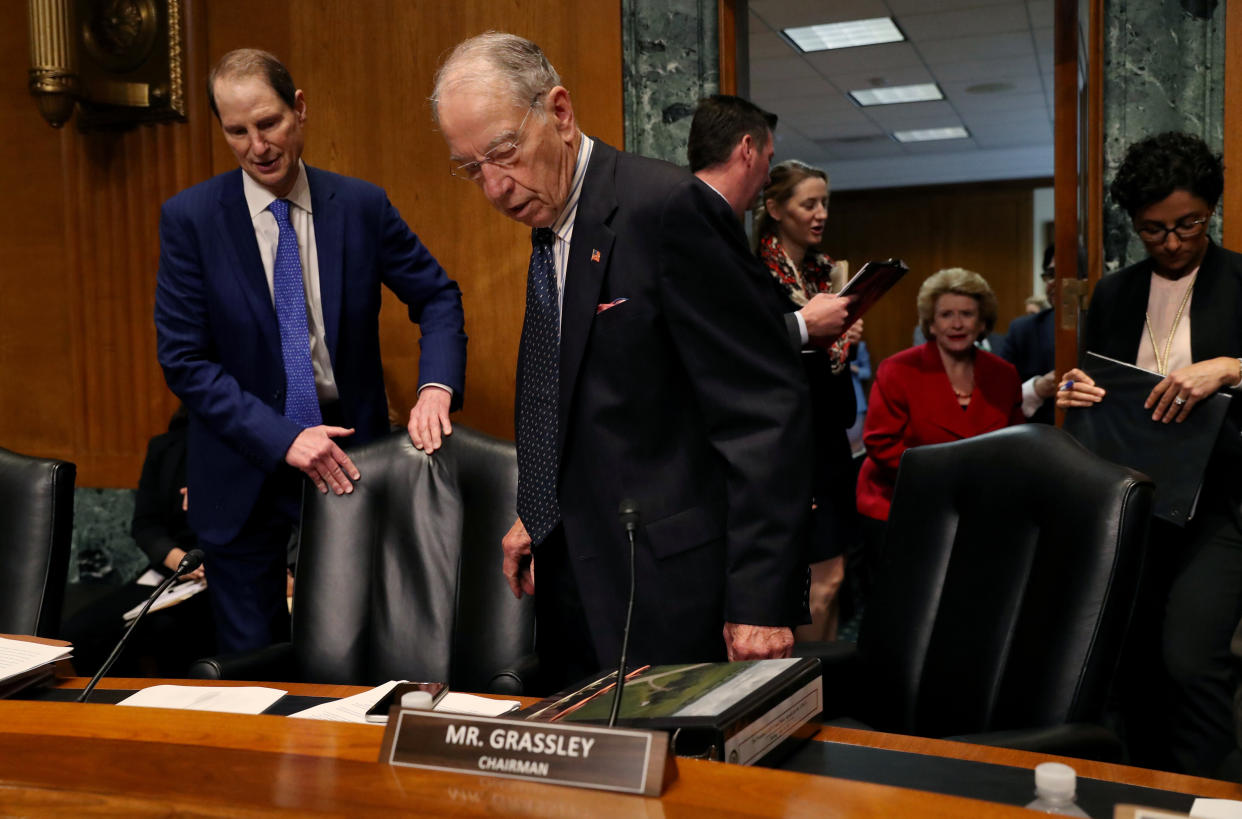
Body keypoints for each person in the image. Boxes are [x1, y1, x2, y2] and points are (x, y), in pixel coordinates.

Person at [432, 33, 812, 692]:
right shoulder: (548, 224)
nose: (494, 186)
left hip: (672, 589)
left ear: (559, 112)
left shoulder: (666, 209)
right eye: (471, 168)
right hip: (574, 575)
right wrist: (539, 509)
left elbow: (763, 409)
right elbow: (588, 398)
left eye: (503, 152)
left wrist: (760, 597)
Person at [154, 49, 467, 653]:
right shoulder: (190, 219)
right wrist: (282, 436)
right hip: (243, 466)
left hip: (351, 463)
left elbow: (438, 297)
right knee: (255, 669)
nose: (256, 146)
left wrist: (436, 386)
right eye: (236, 131)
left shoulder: (360, 206)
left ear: (299, 110)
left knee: (356, 656)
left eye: (268, 123)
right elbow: (184, 360)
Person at [1057, 131, 1242, 777]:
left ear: (1210, 211)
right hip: (1133, 503)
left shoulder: (1241, 279)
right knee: (1125, 664)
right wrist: (1078, 393)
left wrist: (1230, 367)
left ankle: (1216, 797)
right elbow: (1100, 393)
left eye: (1188, 224)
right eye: (1153, 229)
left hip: (1219, 508)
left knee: (1191, 661)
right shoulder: (1114, 294)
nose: (1172, 242)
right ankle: (1144, 790)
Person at [752, 159, 862, 642]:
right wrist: (816, 337)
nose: (820, 214)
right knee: (815, 580)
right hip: (786, 447)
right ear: (775, 208)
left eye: (825, 204)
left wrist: (845, 341)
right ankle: (809, 691)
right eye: (808, 203)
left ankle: (827, 687)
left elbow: (836, 388)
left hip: (829, 443)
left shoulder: (828, 276)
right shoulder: (755, 276)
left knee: (833, 580)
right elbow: (752, 364)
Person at [856, 268, 1023, 553]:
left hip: (978, 507)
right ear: (930, 324)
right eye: (946, 315)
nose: (957, 324)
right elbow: (880, 444)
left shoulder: (1004, 375)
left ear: (982, 323)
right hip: (901, 505)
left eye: (967, 314)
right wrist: (949, 482)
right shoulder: (897, 370)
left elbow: (1016, 445)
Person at [61, 406, 215, 676]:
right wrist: (176, 557)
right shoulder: (165, 447)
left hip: (226, 577)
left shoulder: (252, 447)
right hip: (171, 571)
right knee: (79, 632)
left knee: (168, 631)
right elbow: (145, 525)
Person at [996, 244, 1058, 424]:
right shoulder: (1024, 330)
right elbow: (999, 398)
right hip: (1039, 437)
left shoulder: (1111, 326)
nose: (1057, 283)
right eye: (1052, 275)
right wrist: (1037, 390)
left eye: (1071, 274)